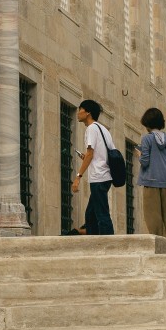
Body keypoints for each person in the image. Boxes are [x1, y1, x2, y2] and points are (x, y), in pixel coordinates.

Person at [71, 99, 115, 235]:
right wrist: (88, 157)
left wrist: (78, 177)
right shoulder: (103, 130)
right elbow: (97, 154)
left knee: (101, 214)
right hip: (105, 175)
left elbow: (90, 154)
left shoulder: (91, 129)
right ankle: (94, 241)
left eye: (80, 109)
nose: (78, 113)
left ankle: (110, 245)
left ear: (88, 112)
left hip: (99, 176)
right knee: (91, 214)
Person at [136, 107, 166, 237]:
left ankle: (158, 251)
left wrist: (139, 154)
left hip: (151, 181)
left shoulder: (147, 139)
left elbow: (145, 162)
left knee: (152, 220)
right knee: (164, 220)